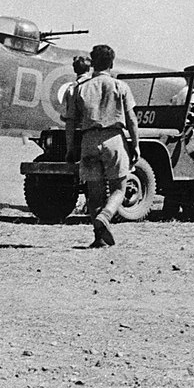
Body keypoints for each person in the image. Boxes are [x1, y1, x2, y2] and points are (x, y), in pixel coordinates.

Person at [65, 45, 139, 248]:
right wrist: (135, 144)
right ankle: (106, 216)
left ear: (93, 63)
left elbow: (70, 122)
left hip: (88, 140)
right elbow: (131, 119)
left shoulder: (81, 88)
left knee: (94, 192)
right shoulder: (120, 86)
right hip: (113, 138)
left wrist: (71, 148)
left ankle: (98, 238)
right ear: (112, 63)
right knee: (119, 188)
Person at [59, 55, 91, 121]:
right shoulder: (93, 85)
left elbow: (64, 114)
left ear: (74, 70)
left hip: (74, 127)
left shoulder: (71, 88)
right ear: (88, 69)